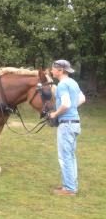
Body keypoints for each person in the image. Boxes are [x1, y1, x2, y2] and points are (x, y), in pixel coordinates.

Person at [49, 59, 86, 196]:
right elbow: (82, 98)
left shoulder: (63, 85)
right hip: (75, 123)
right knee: (70, 156)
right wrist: (72, 108)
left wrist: (55, 114)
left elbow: (65, 104)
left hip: (66, 124)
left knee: (64, 157)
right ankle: (70, 186)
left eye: (53, 69)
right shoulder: (73, 83)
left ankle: (69, 189)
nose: (52, 71)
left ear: (61, 71)